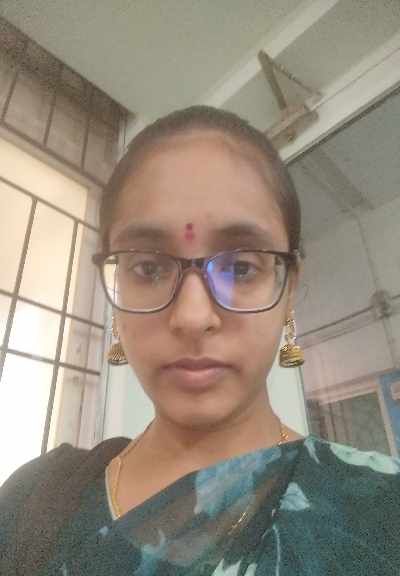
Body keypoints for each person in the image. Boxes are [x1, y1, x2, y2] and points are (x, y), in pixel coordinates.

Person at [1, 106, 399, 575]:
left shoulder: (379, 515)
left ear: (288, 288)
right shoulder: (33, 500)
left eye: (241, 268)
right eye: (148, 268)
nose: (192, 317)